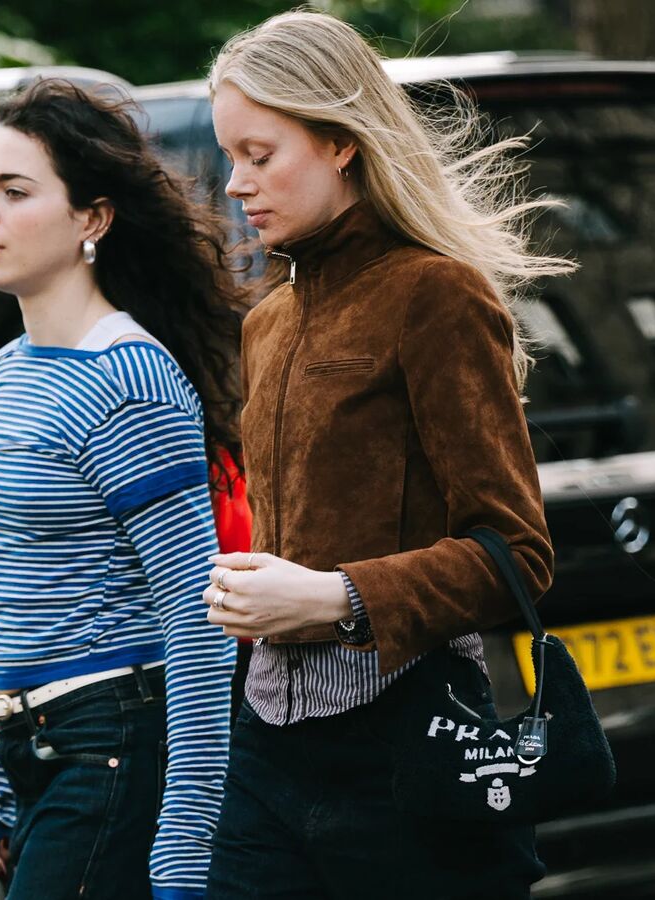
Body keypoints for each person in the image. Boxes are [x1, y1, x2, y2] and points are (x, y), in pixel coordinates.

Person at [199, 10, 578, 899]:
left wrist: (336, 598)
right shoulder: (267, 324)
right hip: (264, 746)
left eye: (259, 154)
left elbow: (516, 556)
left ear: (339, 142)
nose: (233, 185)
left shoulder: (434, 296)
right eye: (229, 158)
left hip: (404, 742)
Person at [0, 77, 245, 900]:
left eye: (15, 192)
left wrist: (188, 834)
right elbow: (9, 593)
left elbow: (196, 619)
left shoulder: (130, 381)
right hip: (32, 742)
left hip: (109, 738)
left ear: (92, 218)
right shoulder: (6, 374)